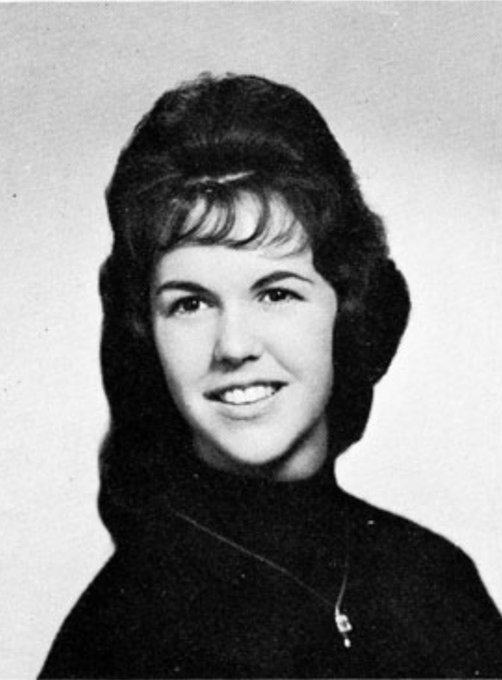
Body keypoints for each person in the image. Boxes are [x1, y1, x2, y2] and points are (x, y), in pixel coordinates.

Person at [39, 73, 502, 679]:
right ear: (146, 335)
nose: (233, 346)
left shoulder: (433, 581)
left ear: (348, 309)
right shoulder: (119, 636)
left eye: (276, 293)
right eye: (190, 303)